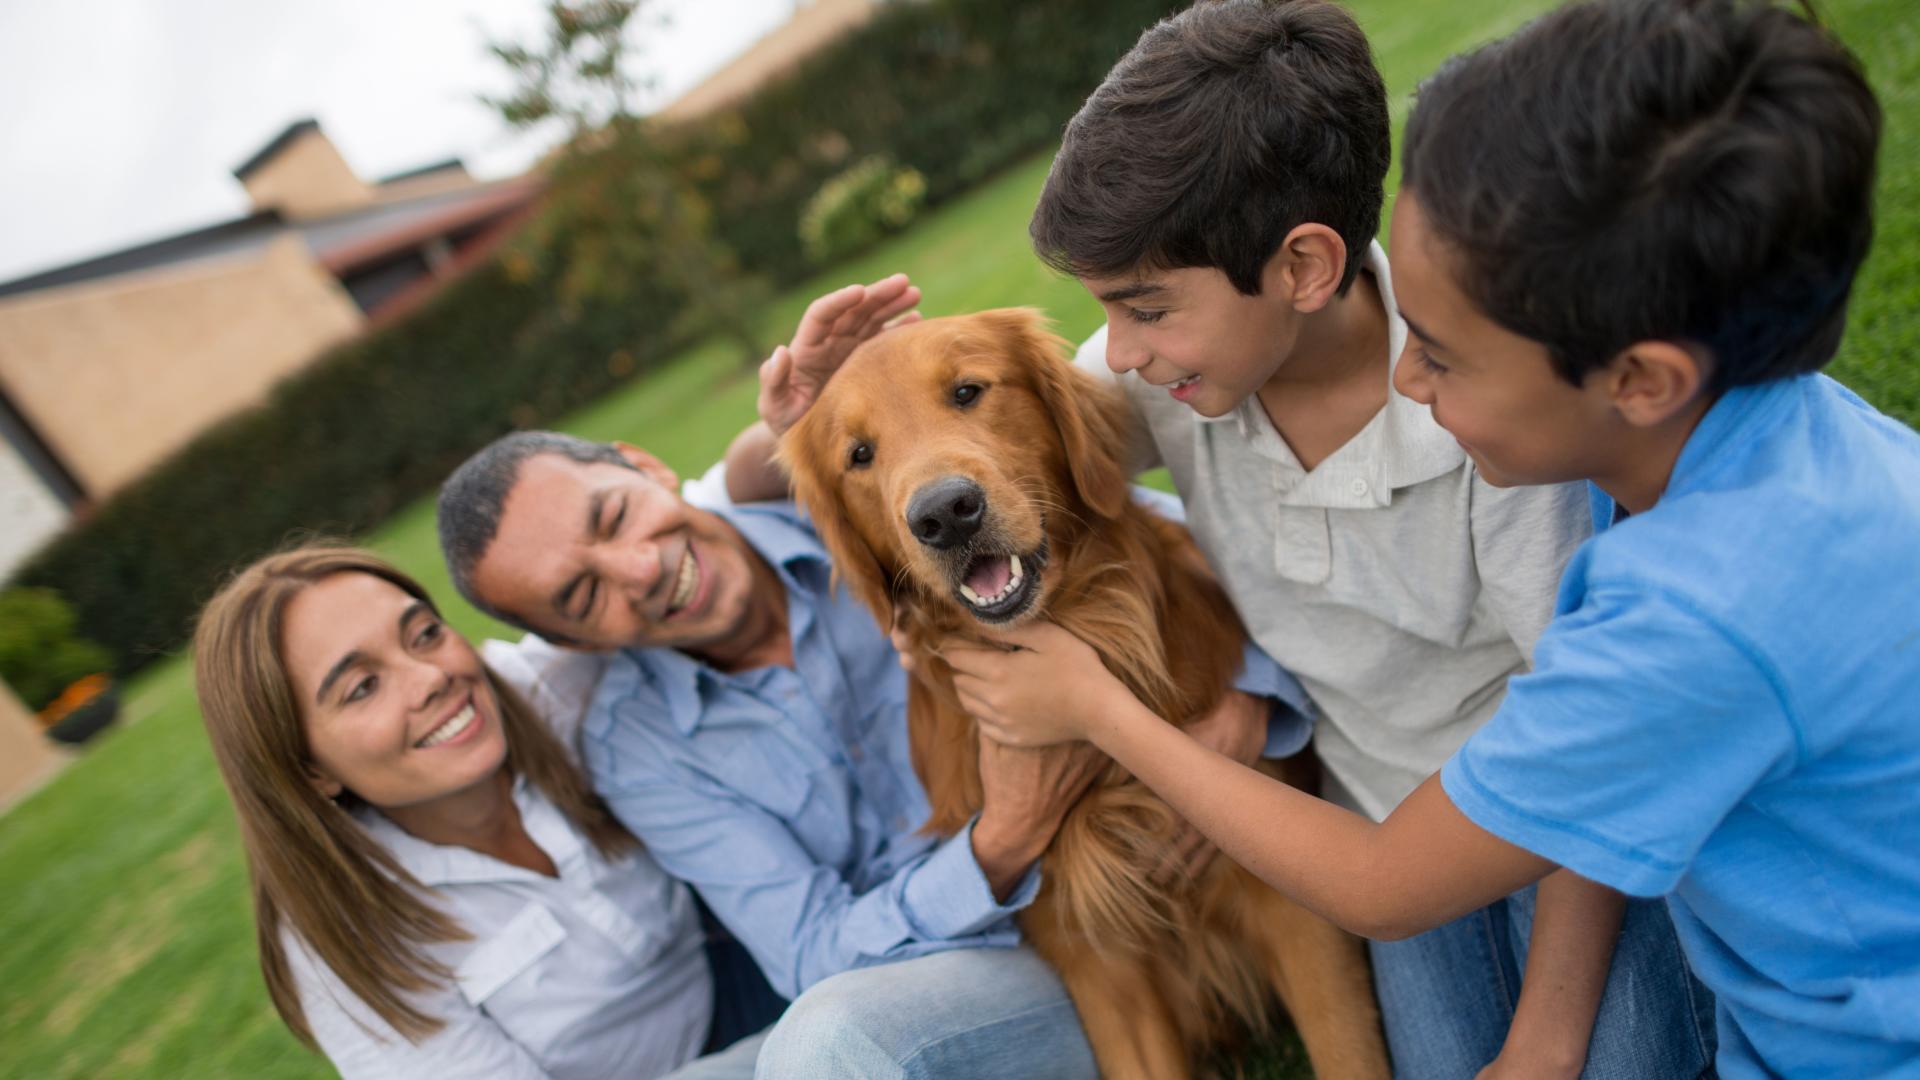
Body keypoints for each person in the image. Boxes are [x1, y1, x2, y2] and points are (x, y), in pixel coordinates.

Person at [954, 0, 1920, 1076]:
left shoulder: (1676, 613)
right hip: (1444, 802)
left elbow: (1388, 879)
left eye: (1445, 358)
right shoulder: (1766, 455)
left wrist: (1096, 709)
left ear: (1641, 381)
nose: (1410, 376)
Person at [434, 277, 1313, 1077]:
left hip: (1128, 903)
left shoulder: (877, 496)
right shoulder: (641, 747)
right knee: (809, 1046)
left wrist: (1250, 699)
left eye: (616, 514)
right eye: (582, 595)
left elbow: (1127, 534)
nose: (639, 570)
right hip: (964, 970)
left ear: (648, 467)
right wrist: (1006, 835)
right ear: (567, 645)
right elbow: (812, 959)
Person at [192, 545, 784, 1079]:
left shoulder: (544, 693)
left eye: (423, 634)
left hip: (746, 960)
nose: (430, 678)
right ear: (309, 770)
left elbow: (705, 529)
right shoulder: (343, 937)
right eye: (362, 687)